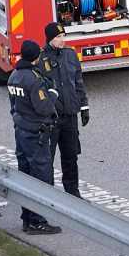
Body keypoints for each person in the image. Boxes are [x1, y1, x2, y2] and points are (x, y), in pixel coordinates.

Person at [8, 40, 61, 235]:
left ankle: (27, 219)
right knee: (41, 177)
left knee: (25, 175)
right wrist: (53, 94)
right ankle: (38, 222)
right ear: (35, 58)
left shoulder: (13, 77)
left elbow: (13, 106)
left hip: (21, 132)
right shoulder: (32, 79)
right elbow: (43, 107)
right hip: (36, 135)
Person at [38, 22, 89, 198]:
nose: (62, 40)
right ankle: (49, 196)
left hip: (70, 115)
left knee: (71, 156)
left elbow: (78, 82)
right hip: (51, 119)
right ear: (50, 39)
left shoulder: (70, 54)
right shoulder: (41, 59)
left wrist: (84, 106)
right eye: (58, 37)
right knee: (47, 160)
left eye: (63, 36)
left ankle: (73, 193)